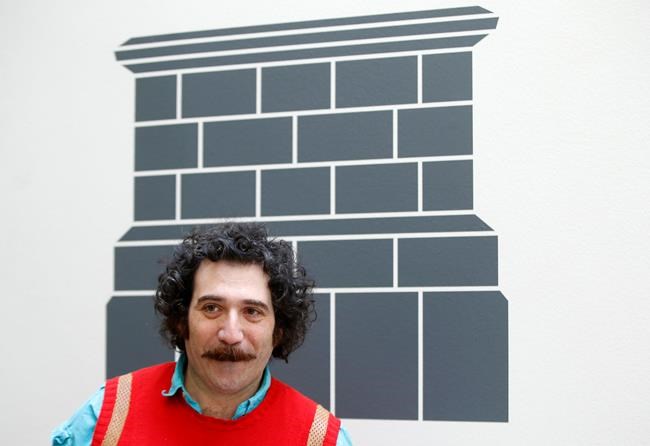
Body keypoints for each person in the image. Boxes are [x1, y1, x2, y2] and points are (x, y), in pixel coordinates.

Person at [52, 222, 352, 445]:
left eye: (252, 311)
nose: (231, 334)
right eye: (211, 308)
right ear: (181, 320)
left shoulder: (321, 438)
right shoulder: (106, 417)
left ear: (278, 332)